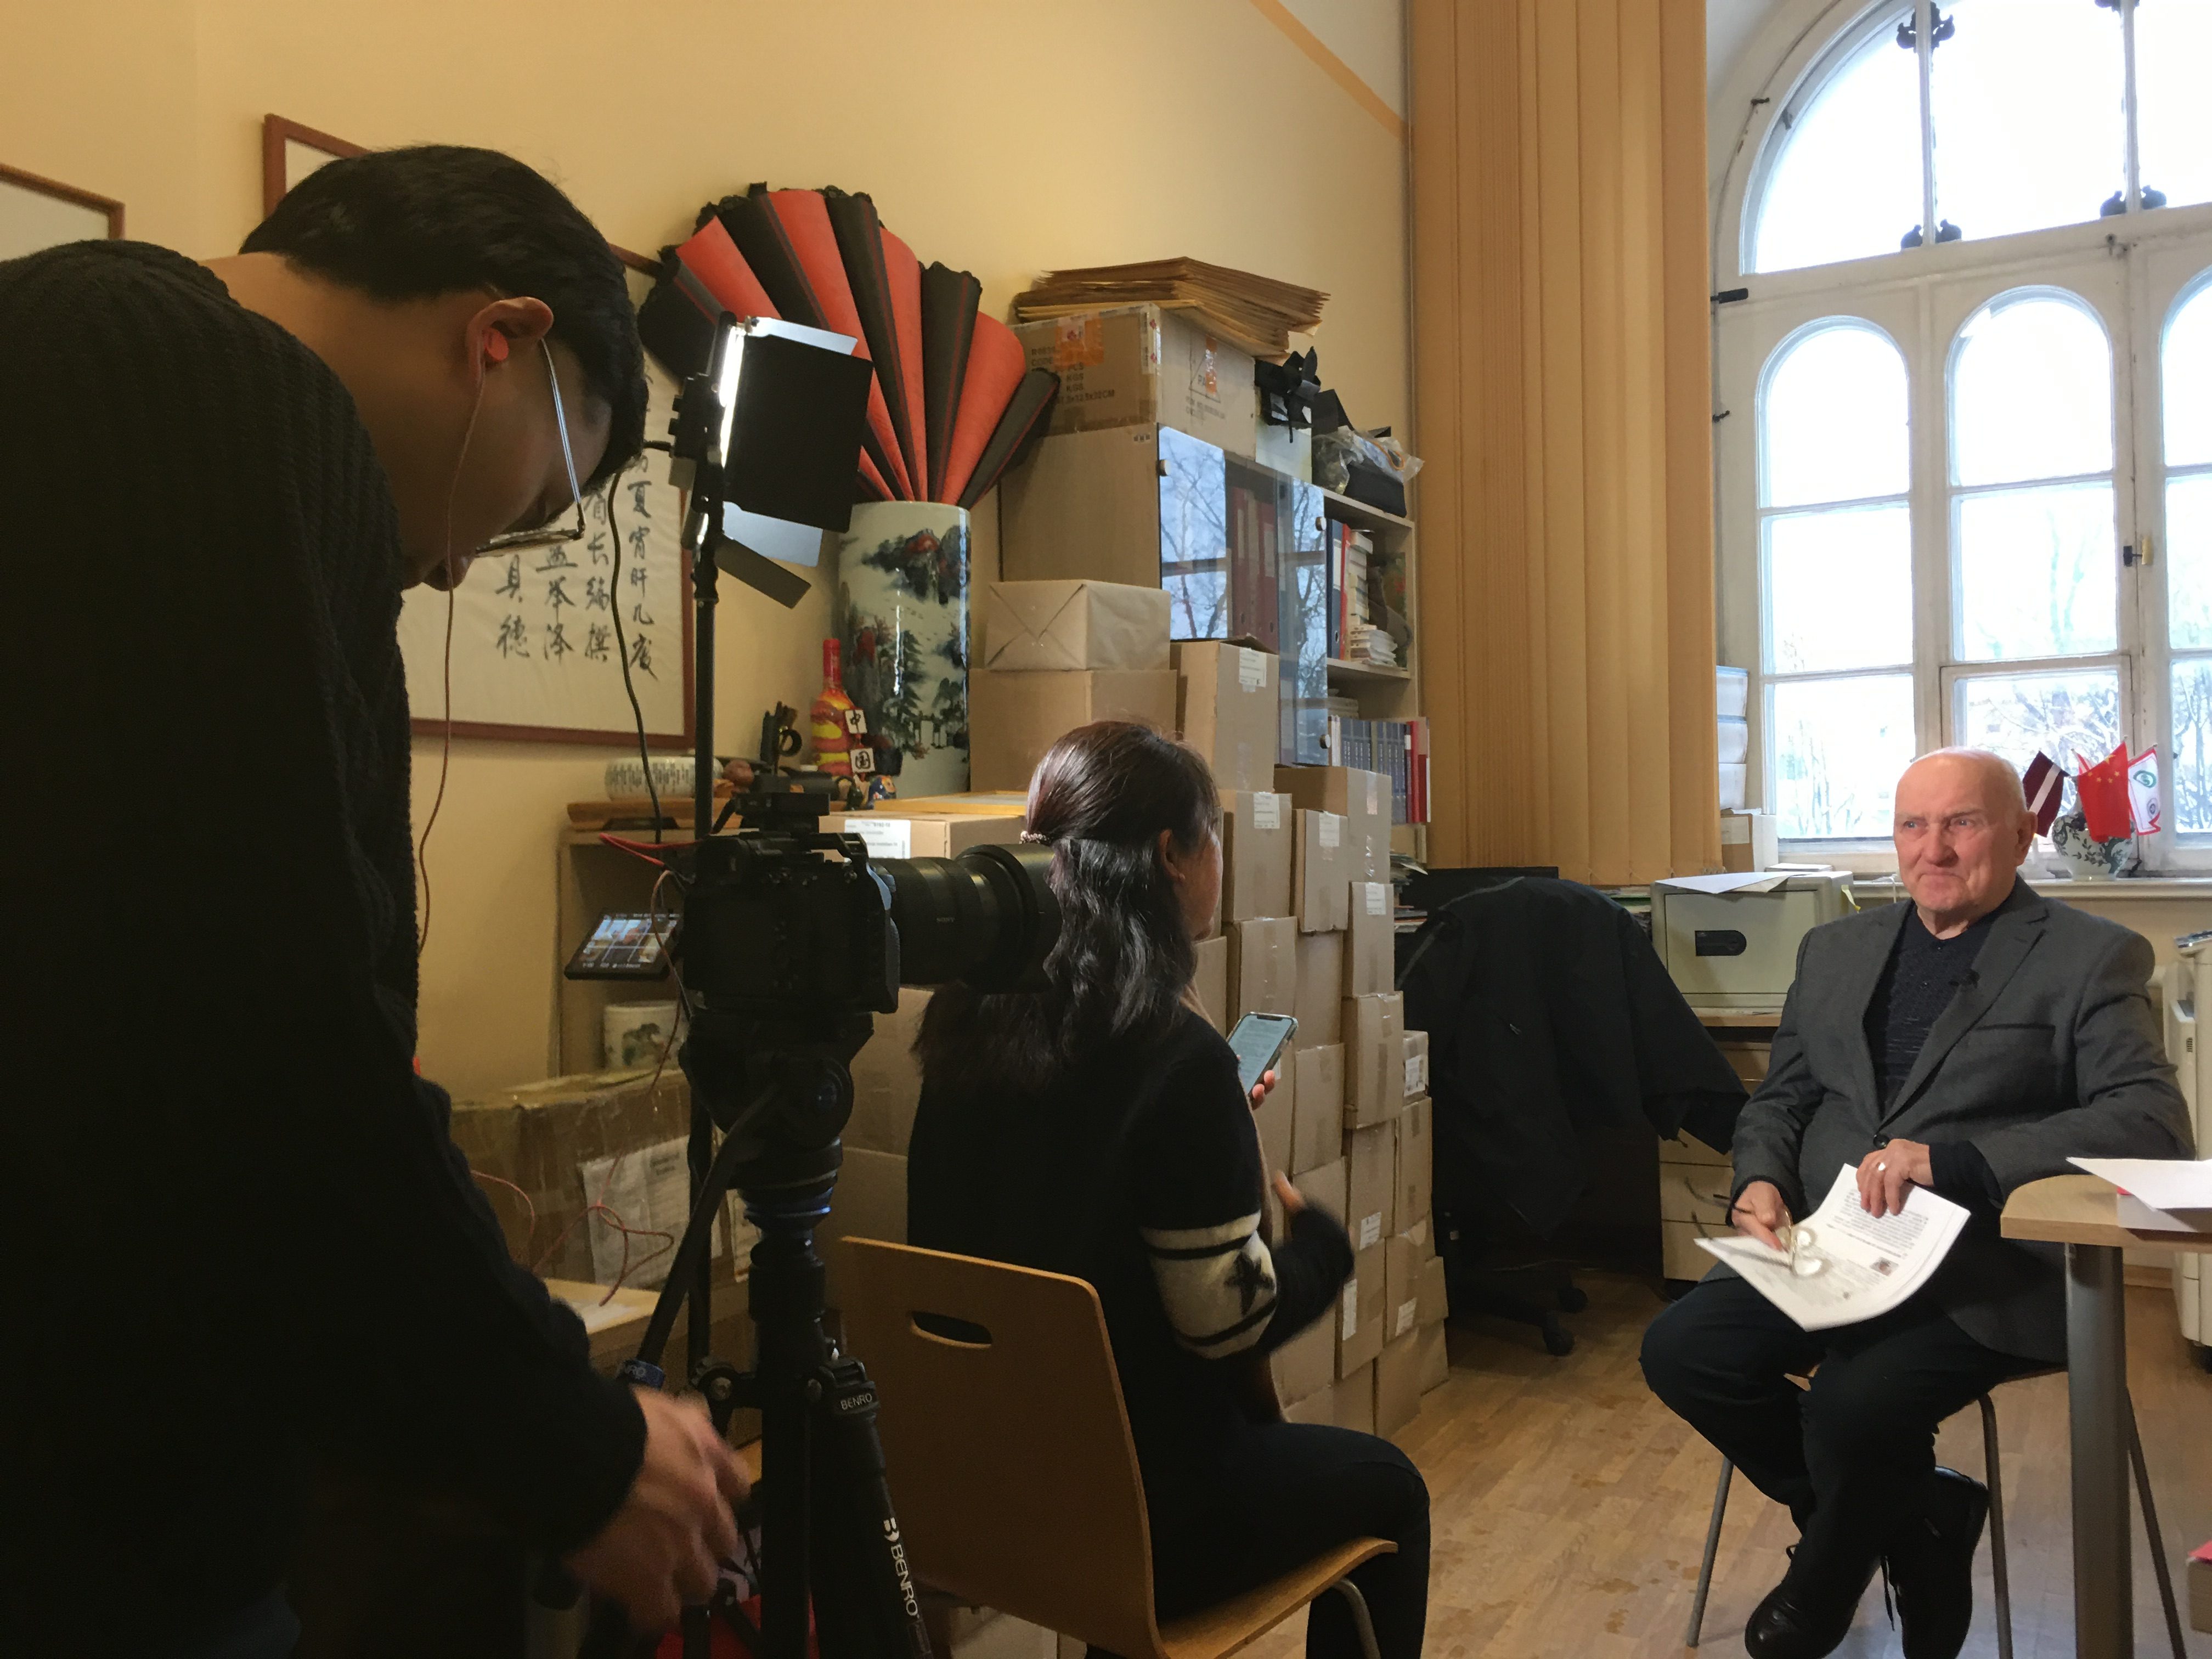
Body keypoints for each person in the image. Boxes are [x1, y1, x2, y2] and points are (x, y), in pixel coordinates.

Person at [2, 148, 744, 1655]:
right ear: (503, 338)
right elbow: (254, 1046)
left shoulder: (63, 352)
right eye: (536, 504)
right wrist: (568, 1441)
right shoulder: (191, 380)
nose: (464, 568)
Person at [1640, 749, 2192, 1659]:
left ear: (2022, 835)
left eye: (1962, 823)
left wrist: (1959, 1163)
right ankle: (1917, 1515)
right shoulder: (1835, 950)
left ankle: (1827, 1576)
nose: (1934, 849)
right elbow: (1782, 1098)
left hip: (1988, 1265)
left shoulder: (2091, 954)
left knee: (1853, 1407)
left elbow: (2151, 1121)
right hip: (1837, 1245)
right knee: (1683, 1351)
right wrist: (1761, 1178)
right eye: (1913, 825)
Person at [906, 721, 1431, 1659]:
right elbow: (1225, 1327)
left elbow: (1055, 1190)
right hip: (1144, 1520)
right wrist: (1324, 1252)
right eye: (1213, 835)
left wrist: (1211, 1132)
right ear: (1171, 857)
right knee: (1393, 1488)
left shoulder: (963, 1021)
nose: (1218, 858)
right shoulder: (1176, 1060)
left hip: (986, 1495)